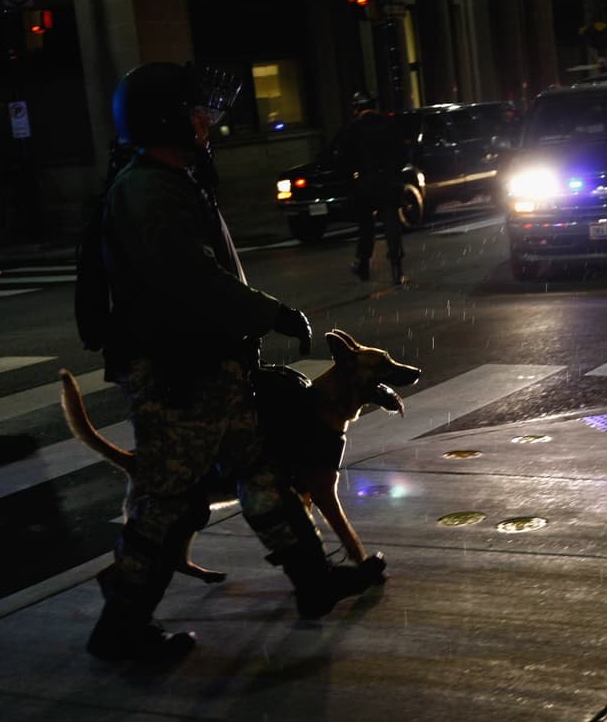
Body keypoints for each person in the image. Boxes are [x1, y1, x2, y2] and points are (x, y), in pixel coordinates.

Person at [89, 61, 382, 662]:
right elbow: (194, 278)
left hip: (207, 367)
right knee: (168, 497)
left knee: (263, 473)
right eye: (196, 111)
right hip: (177, 374)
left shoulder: (171, 180)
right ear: (166, 119)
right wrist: (269, 312)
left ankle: (314, 583)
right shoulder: (147, 188)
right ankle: (120, 626)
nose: (207, 122)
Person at [338, 91, 408, 285]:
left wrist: (352, 178)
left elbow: (343, 158)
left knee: (366, 225)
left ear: (356, 109)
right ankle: (396, 263)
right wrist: (394, 170)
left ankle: (363, 262)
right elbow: (403, 153)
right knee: (391, 221)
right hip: (388, 180)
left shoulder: (353, 129)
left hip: (366, 182)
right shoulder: (389, 124)